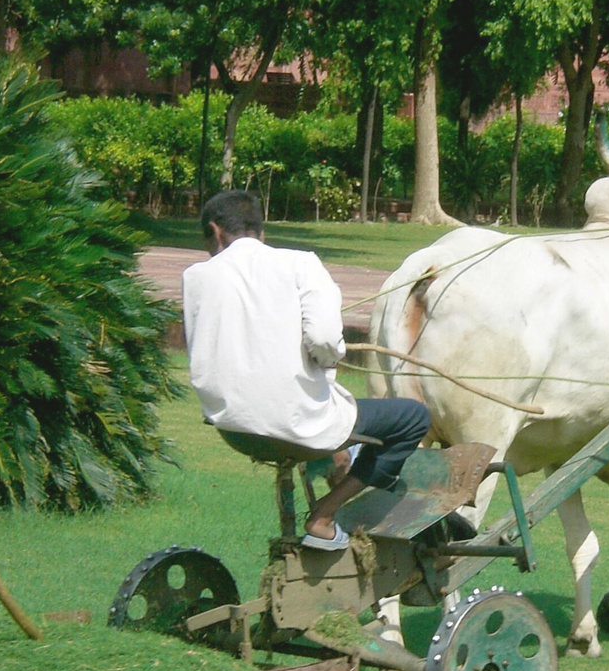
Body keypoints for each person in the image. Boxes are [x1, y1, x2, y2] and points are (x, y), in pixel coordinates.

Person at [183, 189, 430, 550]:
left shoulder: (195, 277)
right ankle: (324, 516)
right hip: (295, 427)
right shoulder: (301, 264)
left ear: (216, 232)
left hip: (233, 428)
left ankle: (338, 466)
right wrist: (325, 360)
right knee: (412, 418)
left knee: (319, 410)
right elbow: (326, 340)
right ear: (261, 232)